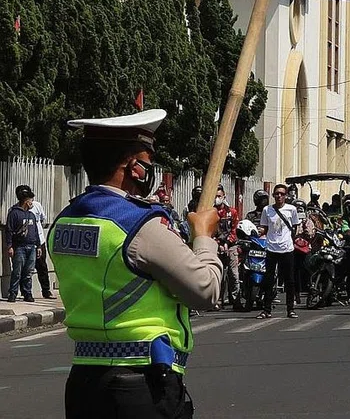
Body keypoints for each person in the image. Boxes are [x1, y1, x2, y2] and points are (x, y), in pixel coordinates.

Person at [48, 109, 221, 418]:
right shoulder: (139, 226)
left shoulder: (65, 221)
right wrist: (204, 237)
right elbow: (204, 290)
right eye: (147, 164)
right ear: (134, 169)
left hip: (84, 382)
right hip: (141, 383)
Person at [258, 184, 300, 319]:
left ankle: (290, 309)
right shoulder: (267, 210)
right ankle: (266, 310)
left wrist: (292, 240)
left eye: (282, 194)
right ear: (273, 195)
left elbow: (295, 227)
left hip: (287, 248)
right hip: (271, 248)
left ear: (286, 195)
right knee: (268, 280)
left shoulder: (291, 209)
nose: (279, 196)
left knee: (289, 280)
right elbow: (264, 227)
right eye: (276, 194)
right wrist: (258, 232)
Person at [5, 185, 41, 303]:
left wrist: (38, 245)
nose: (32, 202)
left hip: (31, 246)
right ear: (26, 201)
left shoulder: (31, 215)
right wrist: (9, 246)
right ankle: (13, 293)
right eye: (30, 200)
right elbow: (9, 230)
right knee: (17, 271)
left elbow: (35, 231)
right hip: (19, 246)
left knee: (29, 272)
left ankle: (27, 293)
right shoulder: (14, 213)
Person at [21, 185, 55, 300]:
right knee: (25, 268)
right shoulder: (16, 209)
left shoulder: (37, 206)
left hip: (39, 240)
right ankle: (25, 292)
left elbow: (41, 219)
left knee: (42, 266)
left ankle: (46, 290)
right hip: (26, 242)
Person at [214, 185, 241, 309]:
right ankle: (218, 301)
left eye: (219, 196)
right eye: (215, 196)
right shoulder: (211, 212)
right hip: (217, 247)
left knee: (234, 274)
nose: (217, 199)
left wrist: (228, 242)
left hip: (231, 247)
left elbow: (235, 229)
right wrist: (218, 243)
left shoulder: (232, 212)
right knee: (219, 275)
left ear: (224, 196)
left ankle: (236, 300)